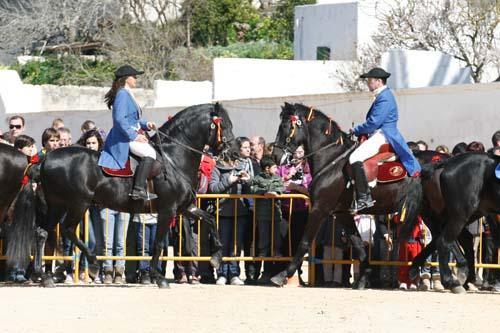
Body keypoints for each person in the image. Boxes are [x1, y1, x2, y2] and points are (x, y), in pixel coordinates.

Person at [349, 67, 421, 213]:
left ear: (378, 81)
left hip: (384, 135)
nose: (368, 83)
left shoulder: (385, 97)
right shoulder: (381, 96)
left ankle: (364, 198)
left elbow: (374, 122)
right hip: (378, 134)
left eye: (370, 80)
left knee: (354, 157)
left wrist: (356, 130)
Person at [97, 65, 157, 201]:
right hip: (124, 137)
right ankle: (138, 190)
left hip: (130, 133)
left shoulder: (127, 93)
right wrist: (135, 136)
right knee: (150, 153)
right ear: (126, 78)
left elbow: (132, 119)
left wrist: (146, 124)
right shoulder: (123, 94)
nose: (136, 78)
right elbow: (119, 120)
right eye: (134, 76)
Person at [249, 156, 286, 284]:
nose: (277, 169)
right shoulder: (258, 178)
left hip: (275, 213)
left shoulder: (277, 178)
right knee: (263, 235)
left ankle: (277, 251)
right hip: (262, 214)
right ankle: (263, 252)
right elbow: (252, 188)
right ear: (267, 168)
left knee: (276, 235)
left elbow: (282, 188)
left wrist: (277, 193)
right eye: (275, 167)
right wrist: (264, 191)